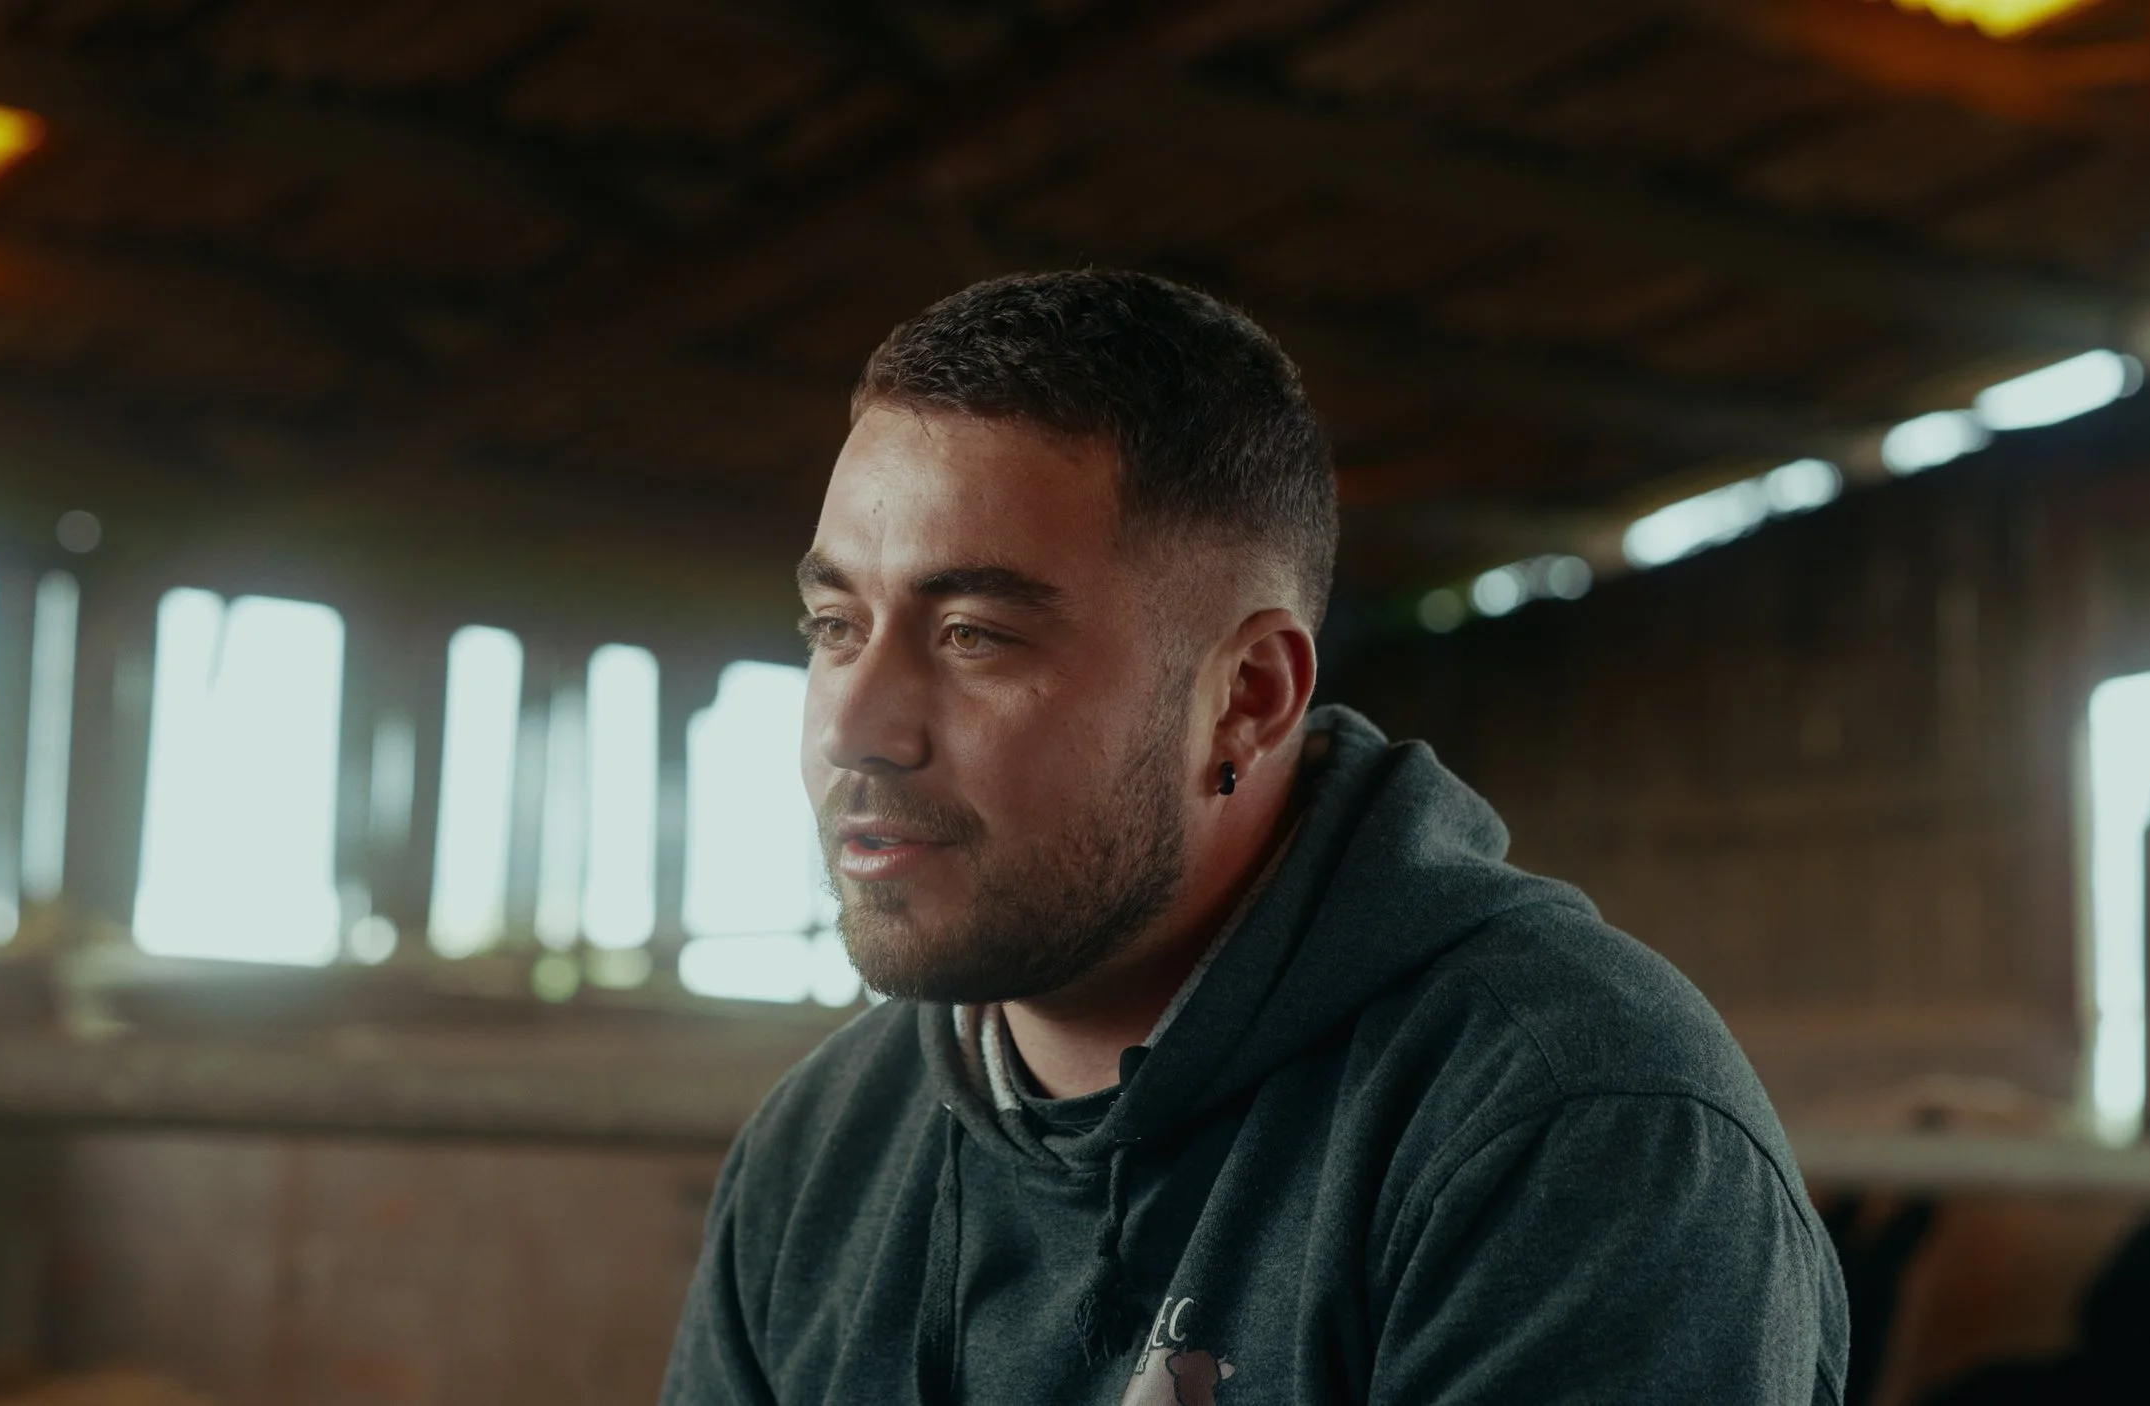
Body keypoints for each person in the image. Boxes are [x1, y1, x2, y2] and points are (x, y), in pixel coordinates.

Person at [660, 270, 1848, 1405]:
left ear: (1248, 696)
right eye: (832, 624)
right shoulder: (817, 1156)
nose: (856, 727)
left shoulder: (1571, 1129)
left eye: (975, 634)